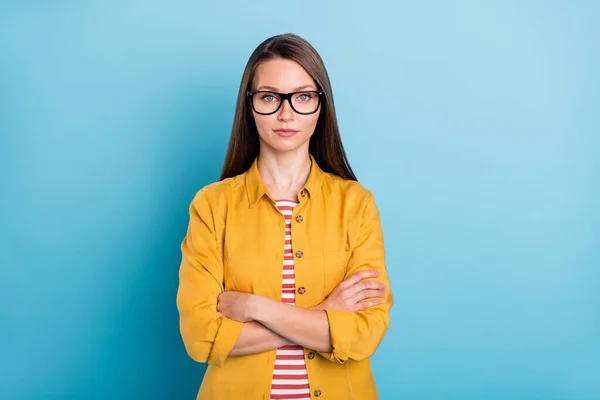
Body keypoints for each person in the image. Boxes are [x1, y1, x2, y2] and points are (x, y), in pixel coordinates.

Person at [176, 33, 393, 400]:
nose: (286, 113)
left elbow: (363, 334)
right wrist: (324, 313)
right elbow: (201, 338)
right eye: (269, 97)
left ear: (321, 105)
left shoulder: (356, 204)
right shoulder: (212, 205)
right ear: (250, 105)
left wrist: (254, 308)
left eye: (303, 96)